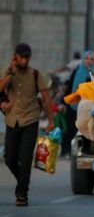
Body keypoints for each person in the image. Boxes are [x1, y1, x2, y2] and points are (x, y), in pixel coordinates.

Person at [0, 43, 56, 206]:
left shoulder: (36, 74)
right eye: (21, 57)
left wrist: (51, 121)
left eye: (27, 57)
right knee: (9, 158)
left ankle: (22, 194)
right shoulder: (8, 72)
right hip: (12, 121)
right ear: (15, 57)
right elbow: (1, 89)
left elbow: (46, 98)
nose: (24, 60)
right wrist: (10, 74)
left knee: (25, 158)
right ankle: (23, 182)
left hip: (30, 121)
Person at [61, 50, 94, 156]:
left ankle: (82, 150)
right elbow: (70, 86)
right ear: (83, 59)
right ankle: (65, 150)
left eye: (91, 59)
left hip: (86, 107)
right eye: (87, 59)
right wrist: (63, 102)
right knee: (69, 129)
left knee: (84, 129)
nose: (88, 61)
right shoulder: (77, 70)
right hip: (73, 106)